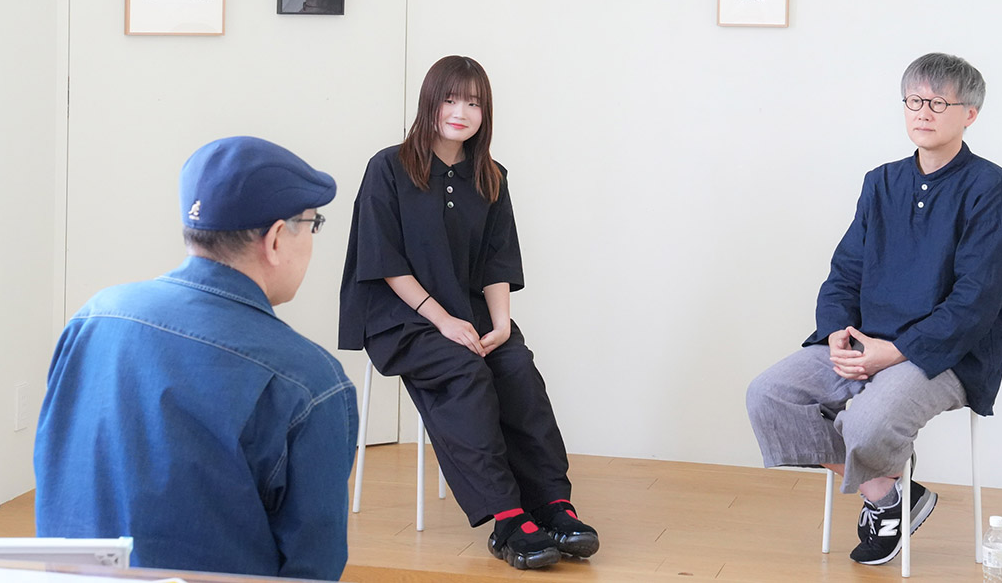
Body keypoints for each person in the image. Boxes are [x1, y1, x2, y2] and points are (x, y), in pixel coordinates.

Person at [745, 52, 1002, 566]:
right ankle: (888, 495)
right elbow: (845, 271)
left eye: (939, 103)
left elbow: (978, 300)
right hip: (865, 340)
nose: (923, 113)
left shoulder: (991, 189)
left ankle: (886, 489)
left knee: (868, 425)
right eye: (914, 101)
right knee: (770, 395)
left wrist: (897, 352)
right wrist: (836, 331)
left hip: (946, 354)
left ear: (970, 114)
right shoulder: (881, 182)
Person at [34, 136, 357, 580]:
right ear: (277, 239)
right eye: (312, 223)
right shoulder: (309, 382)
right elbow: (313, 567)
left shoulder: (93, 318)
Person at [339, 56, 599, 571]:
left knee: (517, 368)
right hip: (400, 315)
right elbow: (386, 263)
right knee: (465, 372)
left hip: (470, 309)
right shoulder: (388, 168)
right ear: (429, 103)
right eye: (450, 99)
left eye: (474, 103)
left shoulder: (491, 176)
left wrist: (500, 324)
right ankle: (507, 518)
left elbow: (498, 261)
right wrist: (442, 320)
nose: (461, 112)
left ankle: (552, 504)